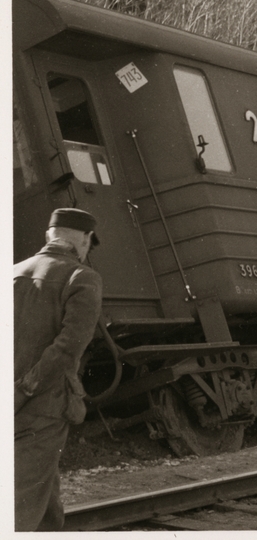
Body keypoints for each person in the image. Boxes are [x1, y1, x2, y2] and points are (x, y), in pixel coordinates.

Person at [15, 208, 104, 531]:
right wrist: (25, 388)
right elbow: (67, 349)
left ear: (48, 236)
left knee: (43, 495)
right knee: (19, 506)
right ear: (85, 240)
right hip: (43, 404)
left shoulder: (12, 272)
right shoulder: (82, 277)